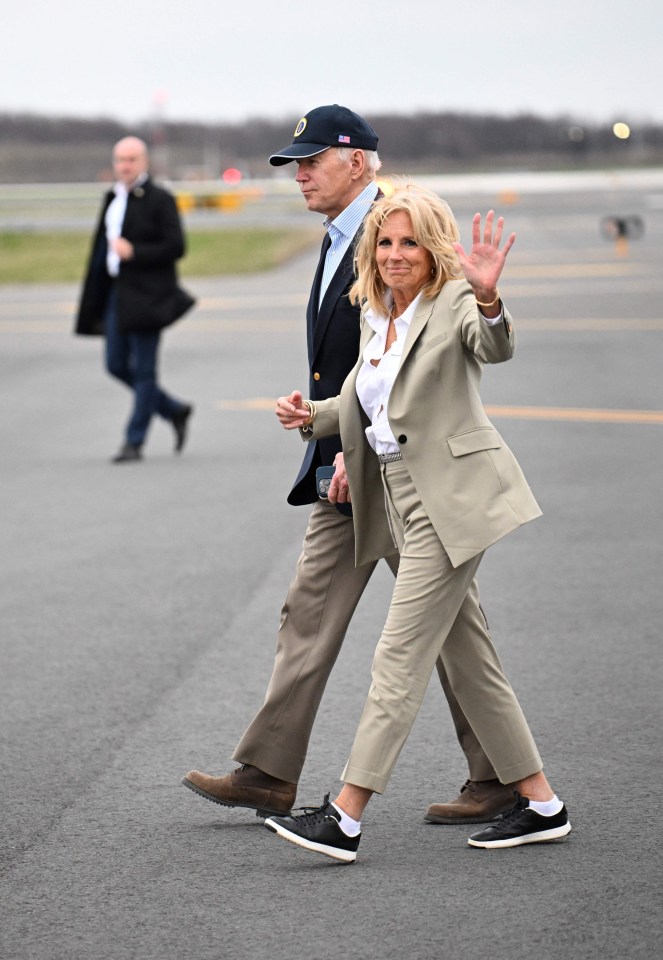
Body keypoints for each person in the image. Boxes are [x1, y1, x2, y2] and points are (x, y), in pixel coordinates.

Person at [182, 106, 514, 825]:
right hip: (349, 465)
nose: (298, 174)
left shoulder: (395, 232)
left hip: (397, 471)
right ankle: (267, 771)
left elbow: (442, 343)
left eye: (311, 161)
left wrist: (486, 301)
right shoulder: (339, 238)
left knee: (447, 628)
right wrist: (326, 429)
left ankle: (501, 782)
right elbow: (360, 360)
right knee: (310, 610)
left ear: (356, 162)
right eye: (293, 164)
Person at [265, 184, 571, 861]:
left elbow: (491, 346)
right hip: (399, 496)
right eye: (385, 242)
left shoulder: (453, 302)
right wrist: (311, 416)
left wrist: (488, 296)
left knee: (396, 658)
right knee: (471, 662)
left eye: (409, 243)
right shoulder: (379, 316)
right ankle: (542, 803)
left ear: (433, 249)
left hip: (451, 501)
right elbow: (364, 399)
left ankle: (345, 814)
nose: (395, 255)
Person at [75, 136, 195, 462]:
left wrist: (135, 252)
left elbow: (176, 246)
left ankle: (134, 441)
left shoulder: (159, 199)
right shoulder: (112, 198)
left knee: (144, 372)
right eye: (120, 160)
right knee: (115, 364)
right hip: (116, 293)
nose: (124, 166)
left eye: (131, 159)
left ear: (144, 162)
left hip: (148, 296)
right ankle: (173, 409)